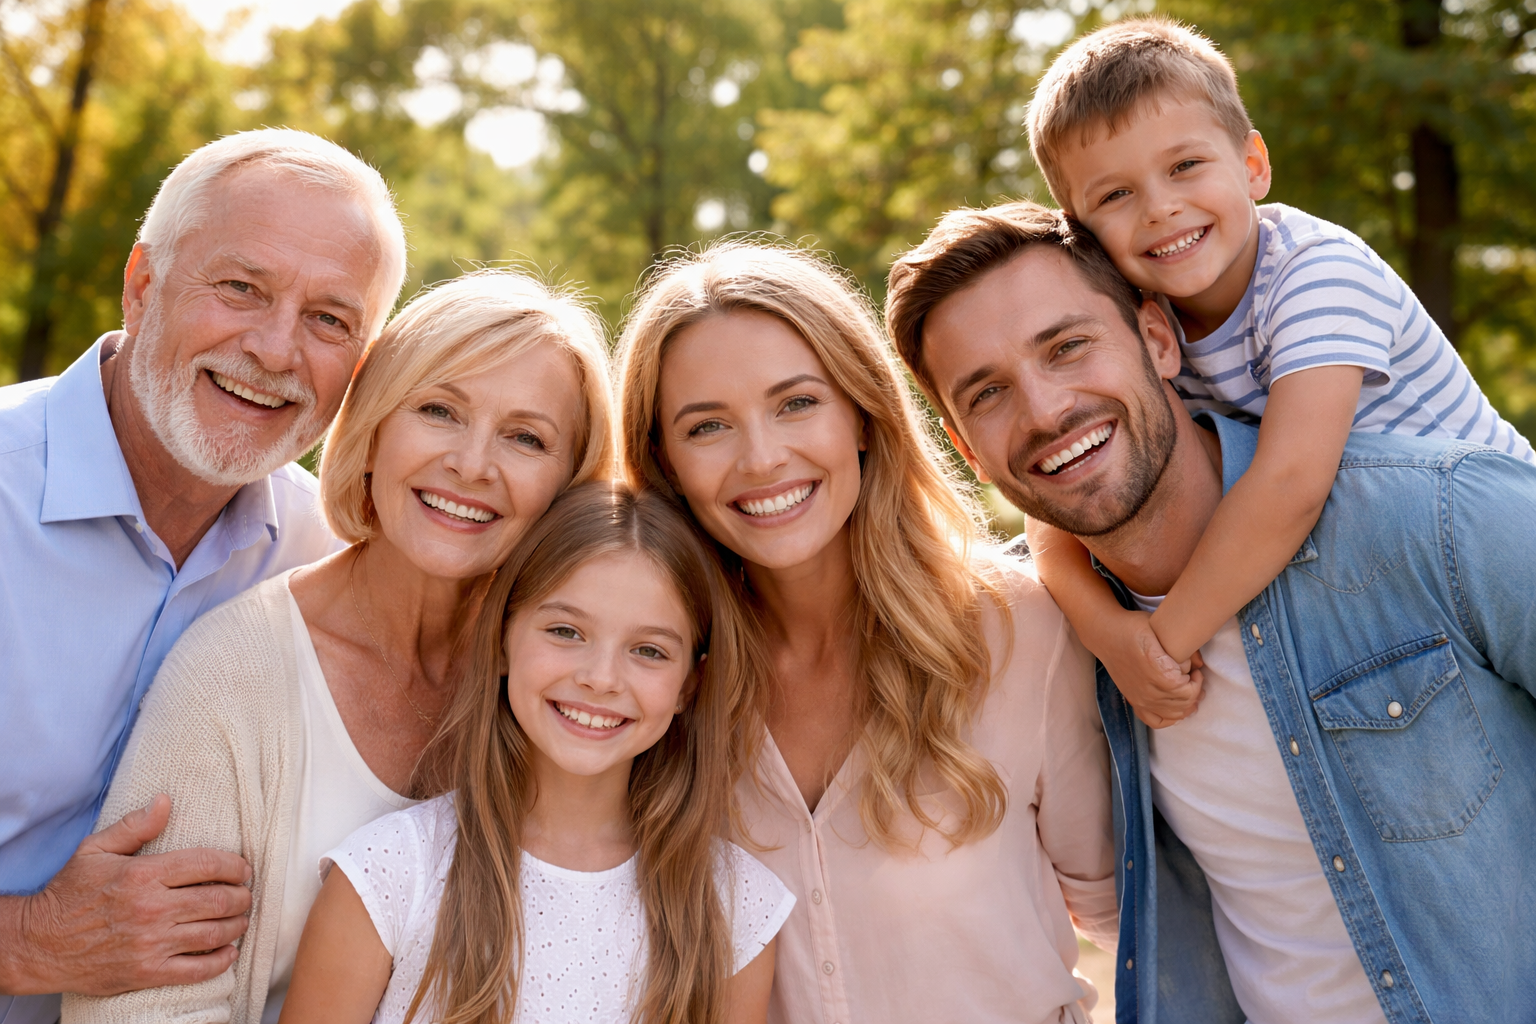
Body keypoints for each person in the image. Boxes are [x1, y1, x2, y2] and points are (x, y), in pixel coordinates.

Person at [886, 199, 1536, 1024]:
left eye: (1069, 347)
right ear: (966, 448)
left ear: (1158, 340)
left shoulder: (1438, 519)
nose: (1046, 411)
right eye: (989, 393)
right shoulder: (1042, 643)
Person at [61, 270, 615, 1024]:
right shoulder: (233, 675)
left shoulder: (573, 684)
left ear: (570, 485)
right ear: (374, 432)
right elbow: (138, 1007)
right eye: (438, 411)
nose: (473, 464)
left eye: (526, 437)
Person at [617, 242, 1117, 1024]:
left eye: (797, 403)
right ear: (664, 461)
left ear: (860, 412)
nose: (763, 458)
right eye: (707, 426)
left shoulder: (1016, 627)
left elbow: (1135, 920)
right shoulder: (657, 683)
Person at [1015, 18, 1534, 729]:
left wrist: (1161, 647)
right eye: (1115, 196)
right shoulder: (1146, 322)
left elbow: (1291, 484)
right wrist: (1111, 636)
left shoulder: (1316, 273)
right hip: (1382, 576)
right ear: (1082, 232)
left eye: (1185, 166)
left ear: (1253, 165)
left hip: (1500, 555)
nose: (1161, 207)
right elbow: (1045, 514)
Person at [0, 129, 407, 1024]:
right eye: (240, 289)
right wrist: (28, 939)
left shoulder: (328, 559)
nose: (273, 349)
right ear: (142, 287)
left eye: (329, 319)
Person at [278, 482, 793, 1024]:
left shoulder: (736, 908)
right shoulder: (388, 876)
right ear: (502, 641)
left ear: (690, 683)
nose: (600, 678)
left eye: (649, 650)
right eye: (566, 631)